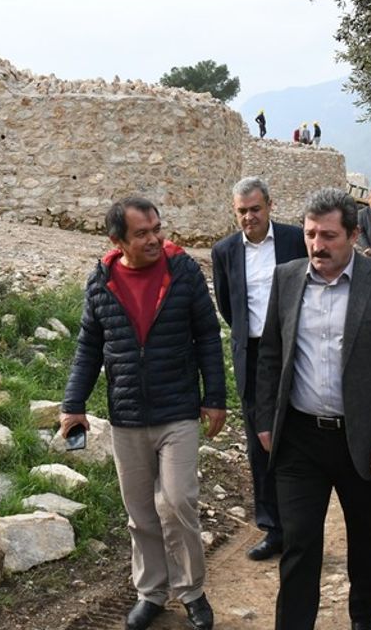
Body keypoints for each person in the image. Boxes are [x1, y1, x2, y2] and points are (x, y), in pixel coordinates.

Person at [254, 188, 371, 630]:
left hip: (361, 440)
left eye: (328, 235)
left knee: (365, 541)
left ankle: (363, 621)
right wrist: (265, 419)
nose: (317, 245)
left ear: (353, 235)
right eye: (310, 234)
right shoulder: (287, 278)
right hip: (299, 440)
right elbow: (270, 353)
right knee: (299, 543)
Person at [61, 197, 226, 630]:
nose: (154, 239)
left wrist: (215, 396)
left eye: (157, 229)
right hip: (127, 415)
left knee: (178, 501)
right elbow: (88, 347)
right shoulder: (101, 281)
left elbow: (208, 335)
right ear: (117, 241)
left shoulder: (183, 271)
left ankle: (191, 591)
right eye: (142, 233)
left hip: (178, 411)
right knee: (140, 512)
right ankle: (151, 592)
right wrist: (73, 405)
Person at [211, 177, 308, 561]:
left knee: (299, 434)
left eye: (255, 209)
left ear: (269, 206)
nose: (249, 217)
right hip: (251, 355)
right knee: (258, 441)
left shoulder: (294, 239)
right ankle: (273, 527)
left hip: (296, 348)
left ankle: (302, 525)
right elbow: (227, 306)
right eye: (242, 211)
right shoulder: (224, 251)